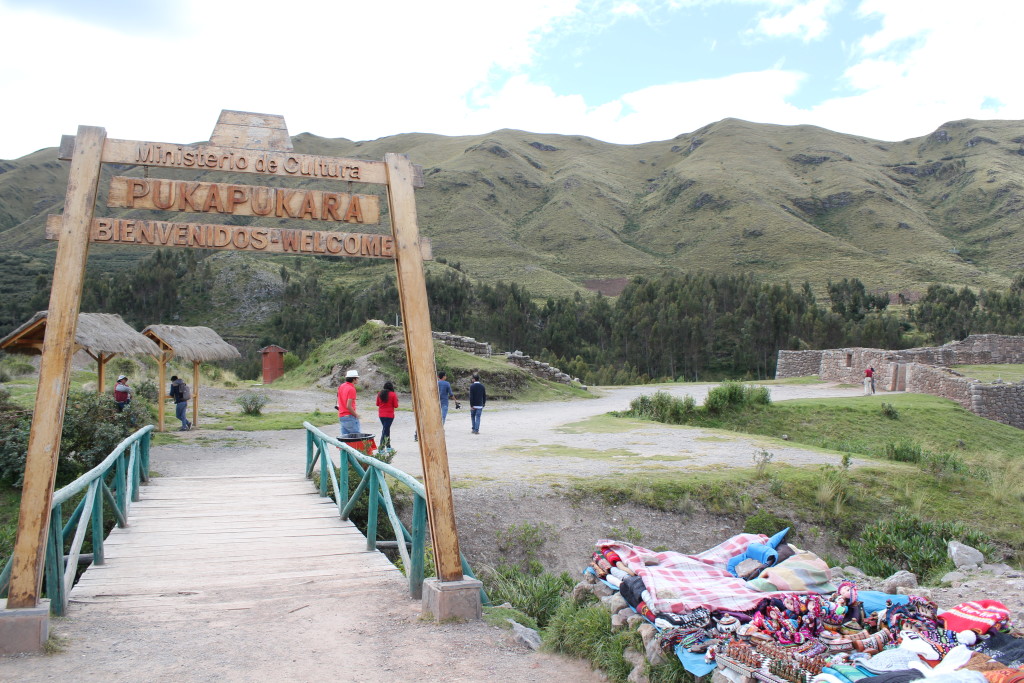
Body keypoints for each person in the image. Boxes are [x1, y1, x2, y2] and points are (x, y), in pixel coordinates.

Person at [376, 381, 398, 449]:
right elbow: (396, 405)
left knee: (386, 430)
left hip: (381, 415)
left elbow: (377, 404)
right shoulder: (393, 394)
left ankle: (388, 446)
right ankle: (381, 447)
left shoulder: (380, 393)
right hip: (389, 415)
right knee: (385, 430)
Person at [338, 369, 360, 436]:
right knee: (356, 438)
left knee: (345, 439)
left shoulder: (341, 386)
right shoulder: (351, 389)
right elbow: (349, 406)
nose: (358, 380)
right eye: (357, 378)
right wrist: (356, 414)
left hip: (342, 415)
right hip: (349, 416)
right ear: (354, 379)